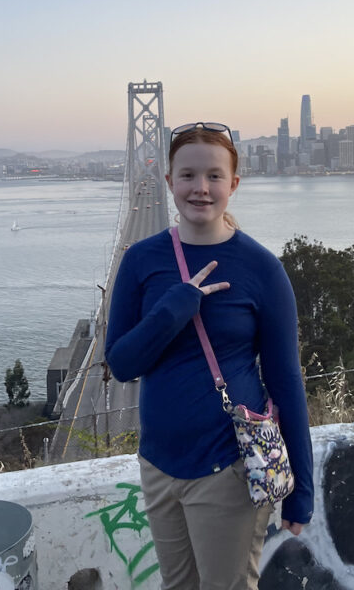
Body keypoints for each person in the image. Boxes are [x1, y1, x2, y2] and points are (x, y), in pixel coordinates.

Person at [105, 121, 314, 590]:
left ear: (233, 185)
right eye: (188, 176)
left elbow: (286, 382)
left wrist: (302, 488)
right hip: (158, 465)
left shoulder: (262, 269)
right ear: (169, 183)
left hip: (229, 469)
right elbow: (121, 363)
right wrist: (175, 308)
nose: (201, 188)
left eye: (214, 176)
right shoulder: (141, 260)